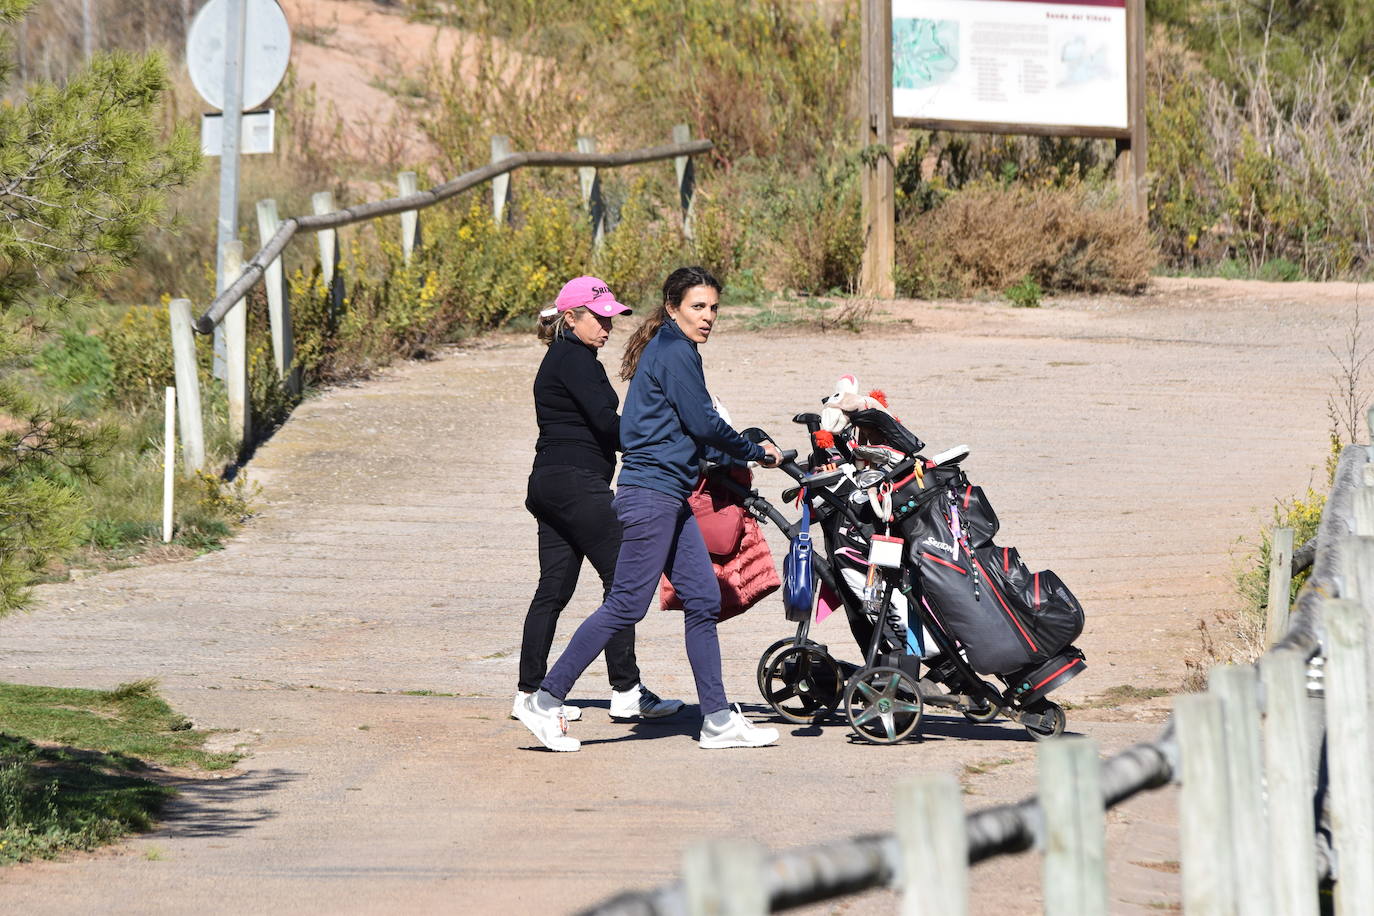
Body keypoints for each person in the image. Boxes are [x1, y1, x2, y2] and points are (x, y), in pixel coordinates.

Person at [514, 266, 784, 752]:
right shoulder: (674, 352)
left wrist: (734, 449)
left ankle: (718, 720)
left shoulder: (670, 350)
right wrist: (751, 448)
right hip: (650, 495)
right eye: (698, 307)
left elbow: (685, 430)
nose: (708, 317)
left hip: (670, 493)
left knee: (702, 599)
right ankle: (546, 698)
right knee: (626, 602)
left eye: (714, 308)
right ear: (672, 307)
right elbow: (702, 422)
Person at [515, 275, 684, 723]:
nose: (608, 327)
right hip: (576, 484)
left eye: (612, 318)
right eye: (599, 318)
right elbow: (611, 426)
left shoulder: (565, 356)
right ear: (570, 318)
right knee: (623, 581)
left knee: (552, 590)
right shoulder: (576, 359)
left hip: (548, 483)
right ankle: (627, 691)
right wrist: (664, 433)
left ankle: (529, 692)